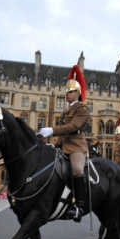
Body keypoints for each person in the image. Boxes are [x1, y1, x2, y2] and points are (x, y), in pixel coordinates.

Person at [37, 65, 89, 222]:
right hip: (64, 145)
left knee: (77, 169)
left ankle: (79, 206)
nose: (67, 94)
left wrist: (52, 130)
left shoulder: (82, 109)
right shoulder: (65, 111)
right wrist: (55, 144)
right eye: (66, 91)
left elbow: (73, 127)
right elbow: (64, 132)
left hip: (76, 146)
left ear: (77, 93)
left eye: (71, 91)